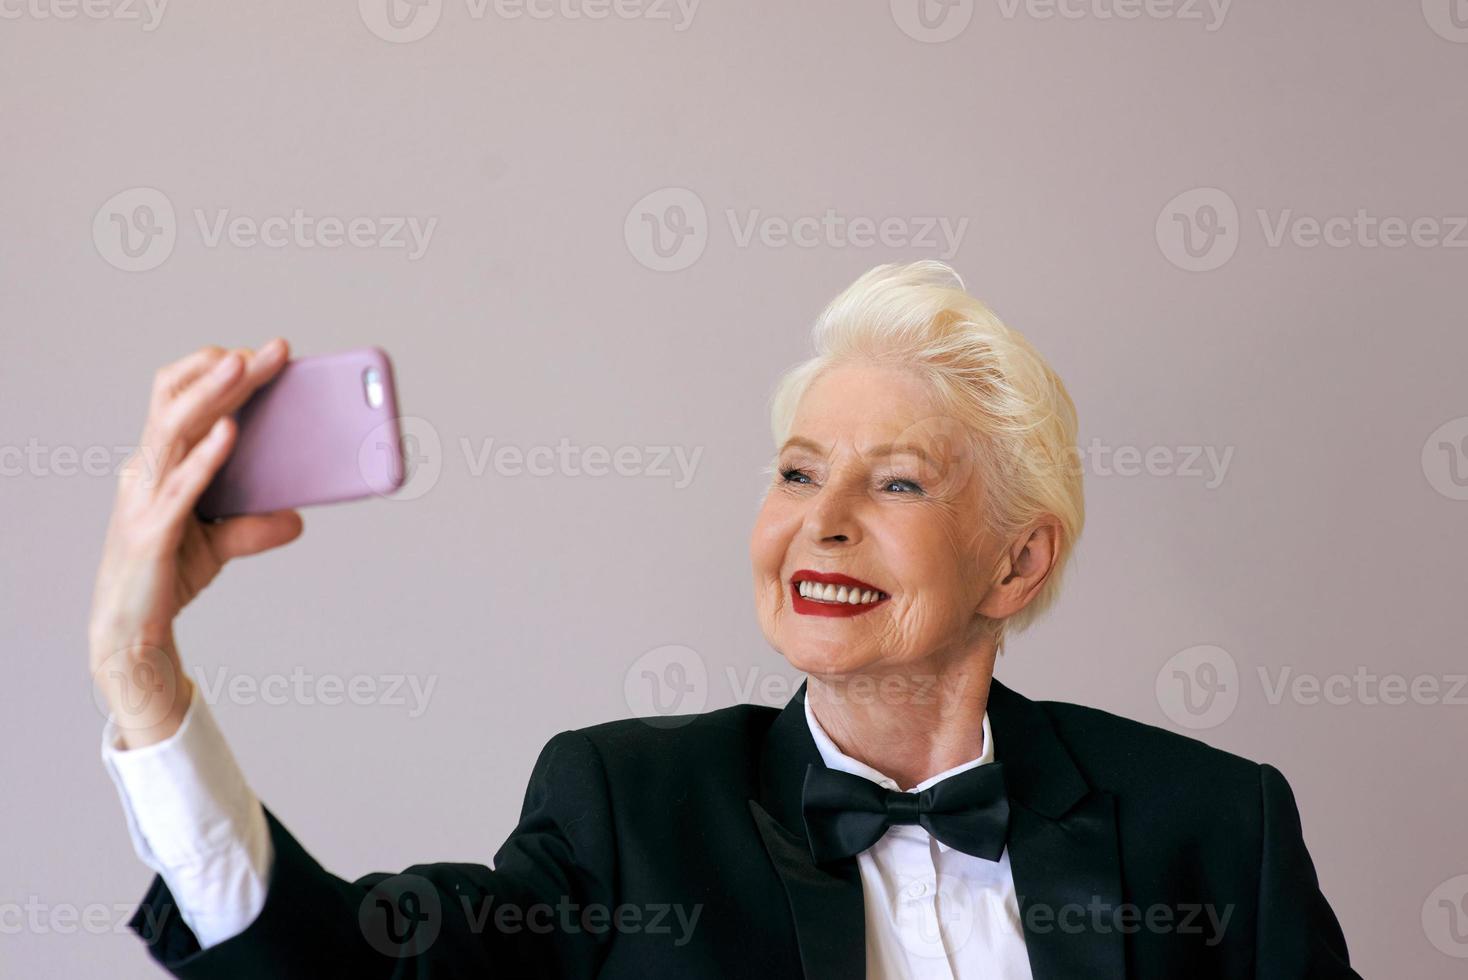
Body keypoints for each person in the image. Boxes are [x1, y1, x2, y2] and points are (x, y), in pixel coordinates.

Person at [90, 262, 1360, 978]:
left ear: (1016, 563)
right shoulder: (627, 808)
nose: (823, 519)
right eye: (799, 471)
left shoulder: (1215, 824)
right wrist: (141, 674)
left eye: (898, 481)